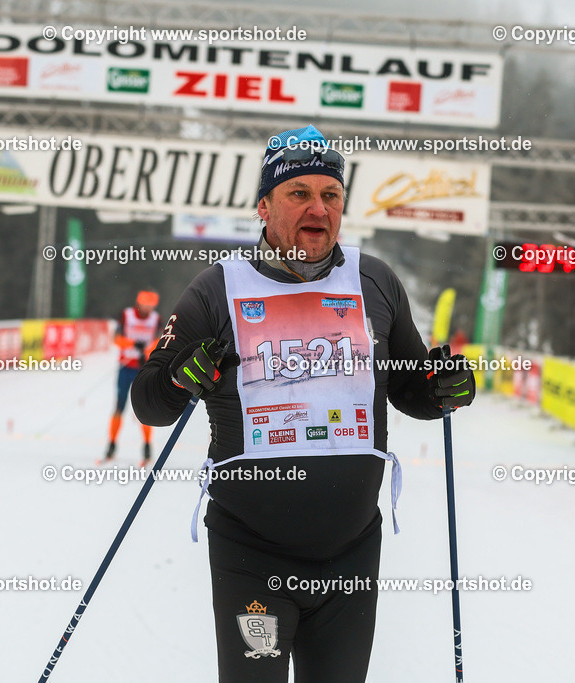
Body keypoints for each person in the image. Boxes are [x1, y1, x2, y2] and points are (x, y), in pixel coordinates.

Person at [131, 125, 474, 682]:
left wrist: (444, 391)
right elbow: (149, 403)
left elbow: (414, 386)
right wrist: (178, 378)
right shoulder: (218, 289)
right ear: (263, 207)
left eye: (330, 195)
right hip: (252, 557)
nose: (318, 208)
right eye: (299, 194)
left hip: (351, 554)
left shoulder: (375, 281)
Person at [104, 289, 160, 466]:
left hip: (144, 369)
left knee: (144, 409)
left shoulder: (156, 319)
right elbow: (116, 338)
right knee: (119, 406)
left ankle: (147, 446)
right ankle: (111, 444)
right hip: (126, 367)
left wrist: (148, 350)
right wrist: (132, 343)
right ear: (139, 303)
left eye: (150, 306)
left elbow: (160, 341)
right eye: (145, 305)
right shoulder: (127, 315)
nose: (147, 309)